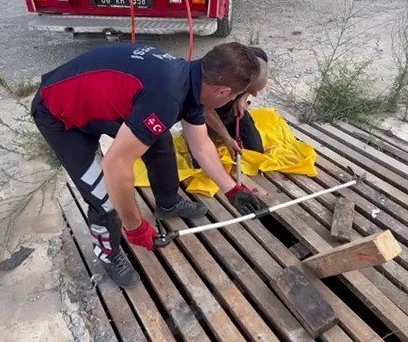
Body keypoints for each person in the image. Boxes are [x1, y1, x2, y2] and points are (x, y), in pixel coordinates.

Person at [32, 42, 264, 287]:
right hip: (59, 113)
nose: (235, 100)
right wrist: (134, 226)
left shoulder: (193, 81)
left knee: (160, 141)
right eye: (235, 96)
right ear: (222, 92)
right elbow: (116, 165)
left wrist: (232, 189)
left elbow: (201, 145)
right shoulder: (167, 96)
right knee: (105, 197)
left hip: (98, 102)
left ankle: (167, 203)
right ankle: (108, 254)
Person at [206, 47, 269, 155]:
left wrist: (242, 98)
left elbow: (256, 80)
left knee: (256, 151)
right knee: (204, 160)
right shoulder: (216, 74)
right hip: (206, 116)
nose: (254, 95)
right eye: (250, 90)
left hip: (232, 111)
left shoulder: (255, 57)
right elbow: (205, 109)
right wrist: (226, 138)